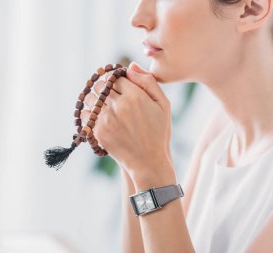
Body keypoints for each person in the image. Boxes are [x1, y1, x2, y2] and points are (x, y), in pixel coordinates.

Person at [80, 0, 273, 252]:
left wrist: (150, 171)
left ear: (251, 9)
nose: (138, 17)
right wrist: (133, 160)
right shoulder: (221, 132)